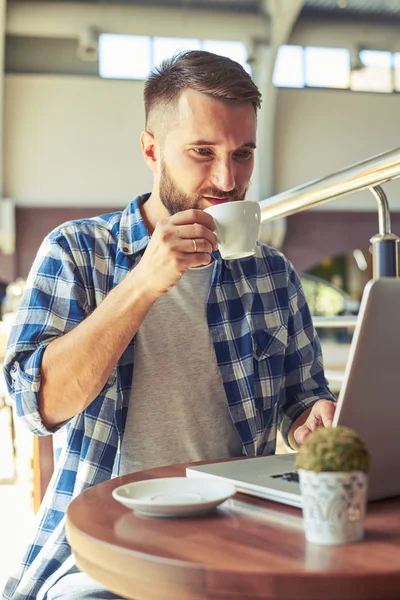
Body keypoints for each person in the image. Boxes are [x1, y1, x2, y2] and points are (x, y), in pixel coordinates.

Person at [2, 50, 336, 600]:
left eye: (243, 153)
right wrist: (143, 283)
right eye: (203, 152)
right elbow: (37, 407)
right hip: (102, 554)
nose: (228, 179)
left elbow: (304, 401)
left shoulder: (273, 274)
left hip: (242, 539)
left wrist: (312, 420)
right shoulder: (77, 252)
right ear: (152, 150)